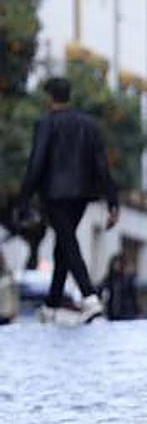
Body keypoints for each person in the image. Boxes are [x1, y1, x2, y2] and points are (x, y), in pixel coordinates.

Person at [15, 77, 120, 324]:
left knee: (68, 243)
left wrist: (24, 199)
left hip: (54, 194)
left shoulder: (46, 124)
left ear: (49, 97)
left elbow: (37, 162)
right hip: (82, 194)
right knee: (64, 244)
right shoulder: (89, 125)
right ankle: (51, 305)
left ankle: (89, 296)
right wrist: (112, 201)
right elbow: (101, 165)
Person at [99, 255, 139, 321]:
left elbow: (133, 295)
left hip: (127, 312)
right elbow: (100, 289)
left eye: (119, 264)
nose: (117, 266)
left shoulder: (128, 279)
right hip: (112, 313)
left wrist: (136, 310)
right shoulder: (109, 279)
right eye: (115, 264)